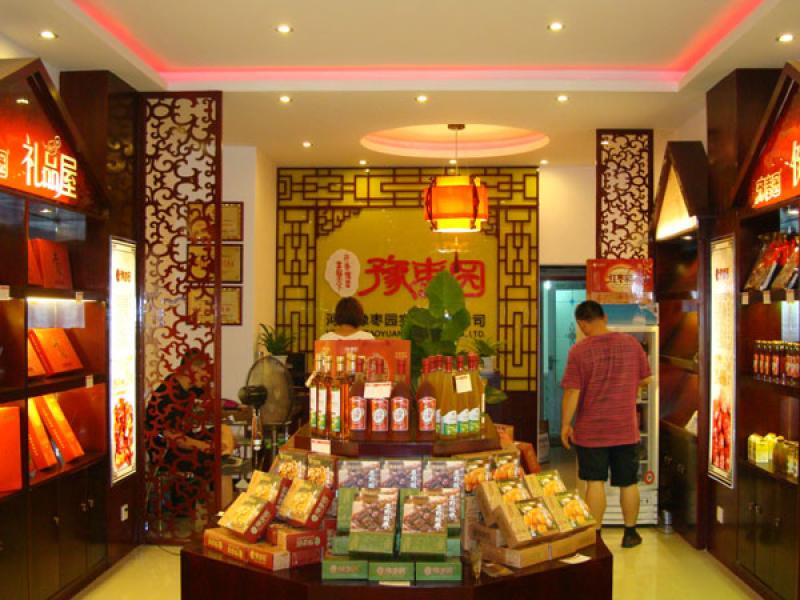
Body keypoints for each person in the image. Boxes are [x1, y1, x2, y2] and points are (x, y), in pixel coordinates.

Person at [560, 300, 651, 548]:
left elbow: (572, 391)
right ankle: (630, 533)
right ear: (605, 318)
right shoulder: (631, 345)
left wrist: (565, 424)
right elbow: (646, 378)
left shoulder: (579, 351)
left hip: (592, 432)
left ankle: (596, 536)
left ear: (581, 324)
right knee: (628, 482)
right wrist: (627, 385)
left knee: (594, 482)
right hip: (625, 430)